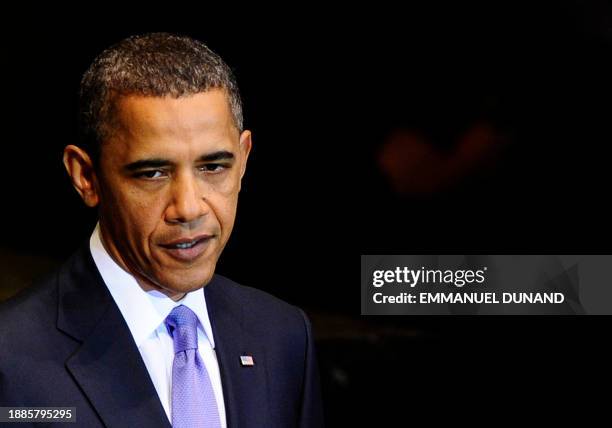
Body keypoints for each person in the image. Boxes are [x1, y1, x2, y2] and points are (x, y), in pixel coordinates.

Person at [0, 33, 323, 428]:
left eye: (213, 167)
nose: (188, 207)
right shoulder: (10, 359)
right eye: (152, 173)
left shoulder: (283, 334)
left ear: (243, 159)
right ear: (86, 176)